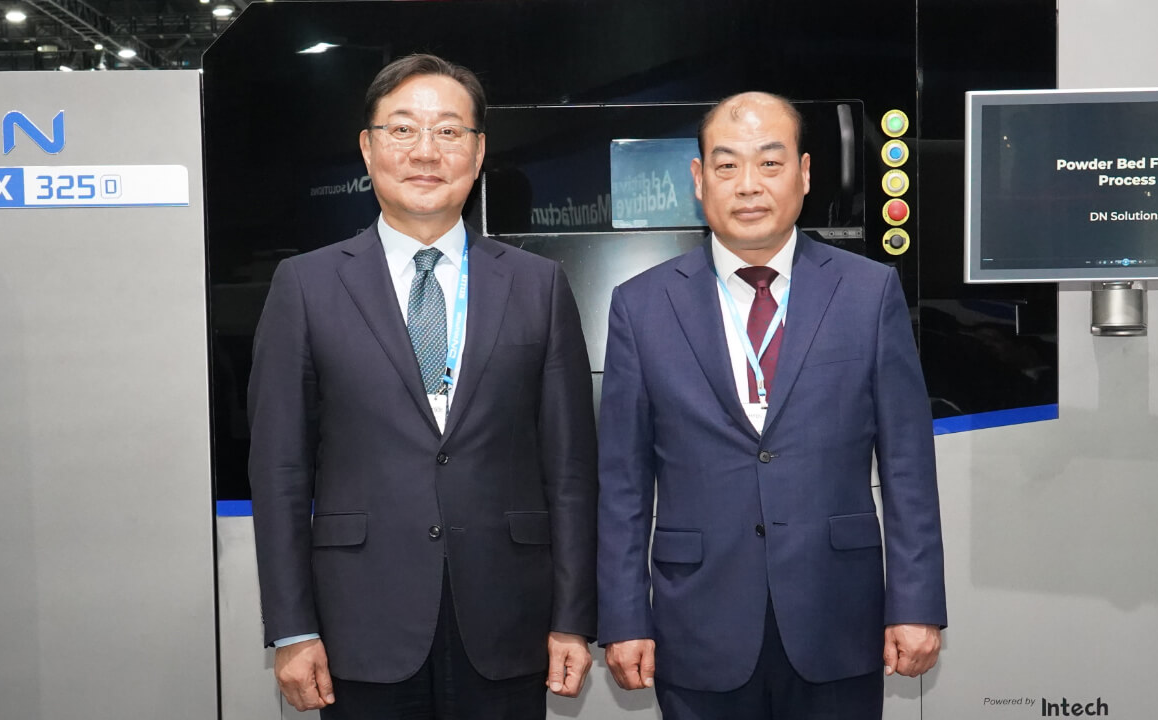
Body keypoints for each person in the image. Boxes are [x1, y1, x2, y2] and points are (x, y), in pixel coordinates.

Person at [248, 53, 597, 719]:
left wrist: (573, 618)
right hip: (359, 622)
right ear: (368, 147)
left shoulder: (538, 285)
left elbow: (571, 470)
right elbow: (280, 469)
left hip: (508, 620)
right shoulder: (307, 285)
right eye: (403, 130)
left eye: (449, 131)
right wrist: (292, 629)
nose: (426, 152)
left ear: (478, 151)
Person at [596, 92, 946, 719]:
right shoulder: (640, 305)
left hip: (837, 615)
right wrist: (624, 616)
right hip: (697, 624)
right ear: (699, 179)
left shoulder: (868, 292)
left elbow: (909, 468)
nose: (749, 185)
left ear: (804, 174)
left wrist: (916, 603)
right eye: (727, 165)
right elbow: (622, 482)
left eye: (770, 163)